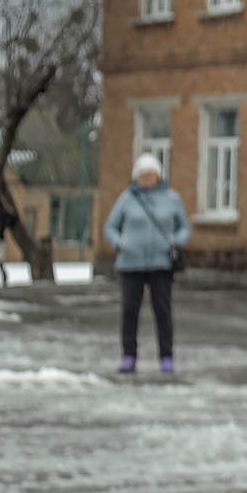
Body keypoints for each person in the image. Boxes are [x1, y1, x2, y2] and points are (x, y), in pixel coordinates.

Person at [101, 153, 190, 375]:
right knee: (130, 311)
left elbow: (184, 227)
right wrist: (119, 243)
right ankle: (129, 356)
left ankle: (166, 357)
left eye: (151, 175)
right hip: (130, 265)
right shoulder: (126, 199)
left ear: (159, 176)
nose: (147, 180)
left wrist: (176, 241)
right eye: (143, 176)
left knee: (163, 311)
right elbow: (110, 227)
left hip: (161, 264)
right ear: (136, 178)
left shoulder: (172, 199)